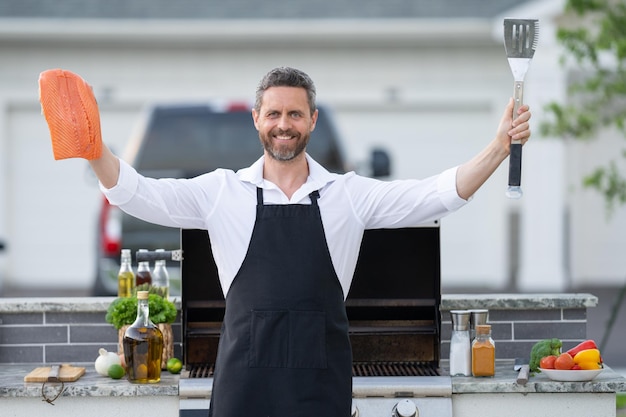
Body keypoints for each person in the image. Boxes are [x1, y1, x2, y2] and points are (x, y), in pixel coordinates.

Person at [73, 67, 530, 416]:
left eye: (294, 113)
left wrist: (498, 147)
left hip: (320, 390)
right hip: (242, 392)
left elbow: (437, 195)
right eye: (273, 113)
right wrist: (96, 150)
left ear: (311, 120)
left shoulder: (347, 195)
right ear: (257, 120)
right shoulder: (221, 192)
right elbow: (137, 193)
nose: (283, 124)